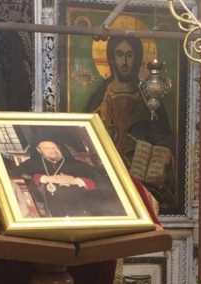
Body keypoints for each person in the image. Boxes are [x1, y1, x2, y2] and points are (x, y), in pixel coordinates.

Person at [85, 36, 175, 209]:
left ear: (137, 59)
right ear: (112, 58)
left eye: (129, 55)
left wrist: (163, 152)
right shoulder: (99, 98)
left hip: (139, 175)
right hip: (105, 173)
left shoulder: (149, 98)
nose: (125, 62)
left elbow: (164, 137)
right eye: (120, 54)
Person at [13, 139, 126, 218]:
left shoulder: (76, 164)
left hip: (84, 209)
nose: (53, 150)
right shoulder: (31, 164)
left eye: (55, 147)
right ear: (39, 150)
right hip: (49, 210)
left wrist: (80, 181)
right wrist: (43, 178)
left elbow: (104, 180)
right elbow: (14, 176)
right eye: (47, 148)